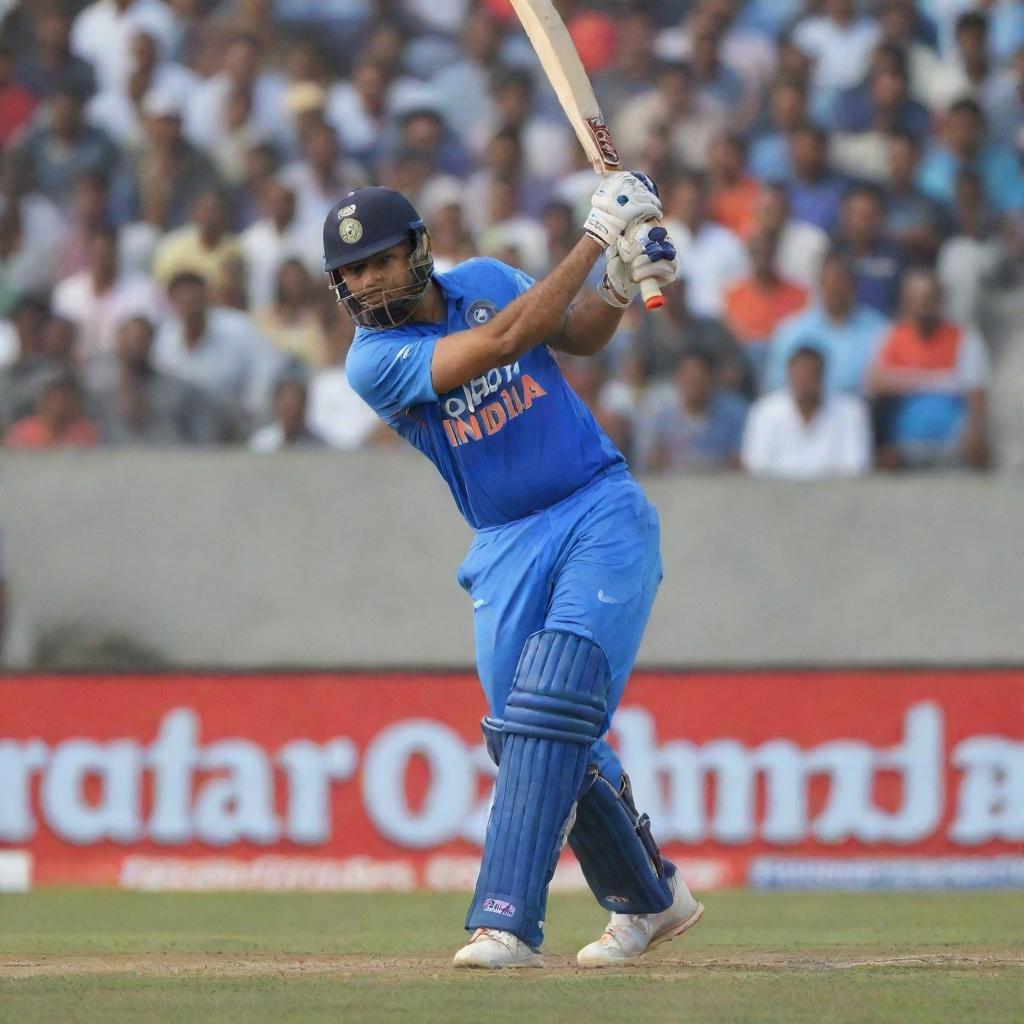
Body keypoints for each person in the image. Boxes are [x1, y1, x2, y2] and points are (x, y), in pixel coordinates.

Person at [329, 180, 700, 968]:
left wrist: (619, 281)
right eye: (352, 273)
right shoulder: (374, 361)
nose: (366, 283)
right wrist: (599, 235)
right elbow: (500, 346)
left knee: (556, 698)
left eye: (380, 262)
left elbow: (578, 334)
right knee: (528, 732)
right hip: (504, 544)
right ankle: (650, 899)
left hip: (596, 506)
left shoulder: (490, 282)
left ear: (420, 250)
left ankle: (504, 922)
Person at [742, 345, 872, 479]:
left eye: (811, 376)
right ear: (789, 375)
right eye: (800, 377)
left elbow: (855, 466)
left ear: (822, 376)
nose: (805, 383)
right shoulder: (765, 411)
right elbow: (756, 466)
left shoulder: (850, 411)